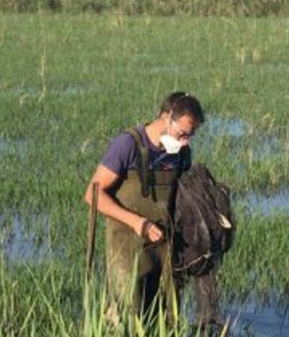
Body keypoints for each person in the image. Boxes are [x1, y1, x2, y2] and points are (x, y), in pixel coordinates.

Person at [84, 91, 204, 324]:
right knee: (128, 320)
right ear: (166, 117)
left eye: (191, 136)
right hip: (127, 248)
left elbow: (183, 196)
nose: (185, 141)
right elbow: (93, 194)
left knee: (166, 320)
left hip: (165, 249)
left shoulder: (181, 153)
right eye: (183, 133)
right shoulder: (127, 144)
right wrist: (138, 223)